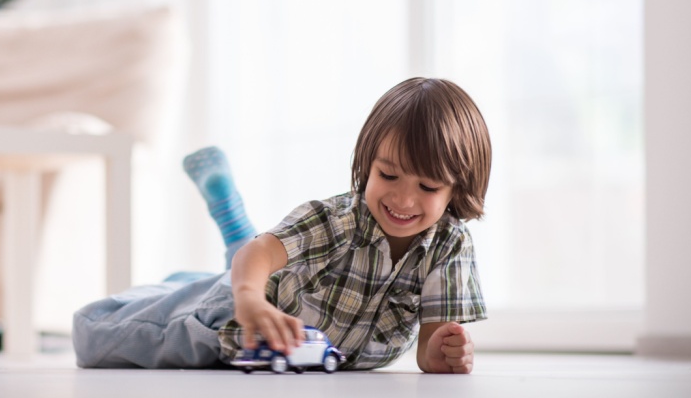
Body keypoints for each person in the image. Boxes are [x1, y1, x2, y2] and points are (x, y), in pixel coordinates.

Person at [72, 77, 490, 373]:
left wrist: (445, 353)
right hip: (238, 319)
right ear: (367, 163)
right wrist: (249, 302)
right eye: (388, 176)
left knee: (231, 274)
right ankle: (212, 275)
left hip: (304, 339)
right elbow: (260, 256)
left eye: (428, 186)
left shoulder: (450, 246)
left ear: (456, 189)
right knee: (93, 338)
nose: (402, 199)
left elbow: (428, 355)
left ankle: (220, 241)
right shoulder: (338, 221)